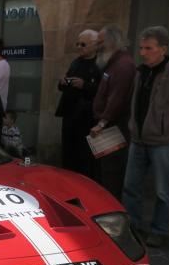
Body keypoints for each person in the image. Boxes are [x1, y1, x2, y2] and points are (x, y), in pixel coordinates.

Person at [122, 26, 169, 247]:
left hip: (164, 142)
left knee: (162, 190)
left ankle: (159, 230)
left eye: (149, 48)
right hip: (138, 139)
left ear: (163, 49)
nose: (143, 53)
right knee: (131, 186)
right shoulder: (140, 73)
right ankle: (133, 226)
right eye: (141, 48)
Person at [90, 25, 136, 199]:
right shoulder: (113, 64)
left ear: (112, 42)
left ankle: (111, 206)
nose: (98, 46)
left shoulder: (123, 66)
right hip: (108, 125)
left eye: (100, 42)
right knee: (105, 169)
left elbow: (117, 98)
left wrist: (102, 122)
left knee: (112, 171)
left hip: (114, 127)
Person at [56, 29, 101, 177]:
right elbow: (64, 85)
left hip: (86, 117)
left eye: (83, 44)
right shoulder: (76, 62)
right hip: (70, 113)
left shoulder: (100, 64)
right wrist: (63, 81)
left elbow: (103, 90)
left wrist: (84, 85)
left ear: (95, 45)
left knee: (84, 155)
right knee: (68, 152)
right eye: (78, 44)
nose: (79, 47)